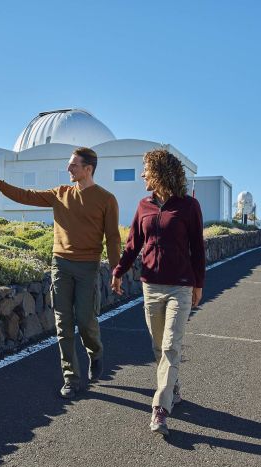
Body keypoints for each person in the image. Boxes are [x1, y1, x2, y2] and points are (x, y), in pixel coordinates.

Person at [0, 147, 120, 399]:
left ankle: (95, 353)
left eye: (73, 165)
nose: (68, 169)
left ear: (88, 169)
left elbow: (113, 239)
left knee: (86, 321)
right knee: (63, 325)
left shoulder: (106, 199)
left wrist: (117, 271)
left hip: (88, 268)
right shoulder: (60, 194)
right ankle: (70, 378)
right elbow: (25, 196)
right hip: (61, 265)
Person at [111, 149, 205, 436]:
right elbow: (132, 245)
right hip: (151, 286)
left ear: (161, 172)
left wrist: (198, 284)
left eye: (146, 170)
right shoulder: (143, 206)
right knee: (157, 346)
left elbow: (198, 249)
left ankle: (160, 409)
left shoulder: (188, 206)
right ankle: (172, 387)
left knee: (170, 346)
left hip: (180, 285)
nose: (142, 175)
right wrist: (118, 271)